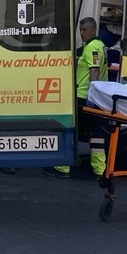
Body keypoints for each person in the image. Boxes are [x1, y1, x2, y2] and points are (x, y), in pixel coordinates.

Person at [45, 17, 106, 178]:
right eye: (80, 30)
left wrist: (91, 97)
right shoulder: (98, 46)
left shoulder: (92, 47)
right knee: (96, 134)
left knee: (69, 129)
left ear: (93, 29)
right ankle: (99, 169)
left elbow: (94, 71)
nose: (81, 33)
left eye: (84, 30)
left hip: (84, 96)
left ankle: (62, 166)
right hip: (96, 98)